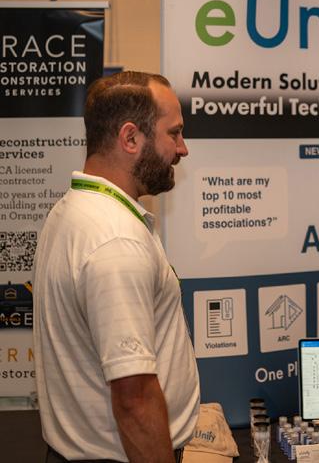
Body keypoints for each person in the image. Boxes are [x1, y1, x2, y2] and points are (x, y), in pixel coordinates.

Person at [33, 71, 200, 462]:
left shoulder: (73, 210)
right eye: (174, 133)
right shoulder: (116, 241)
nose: (183, 149)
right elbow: (134, 399)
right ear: (130, 138)